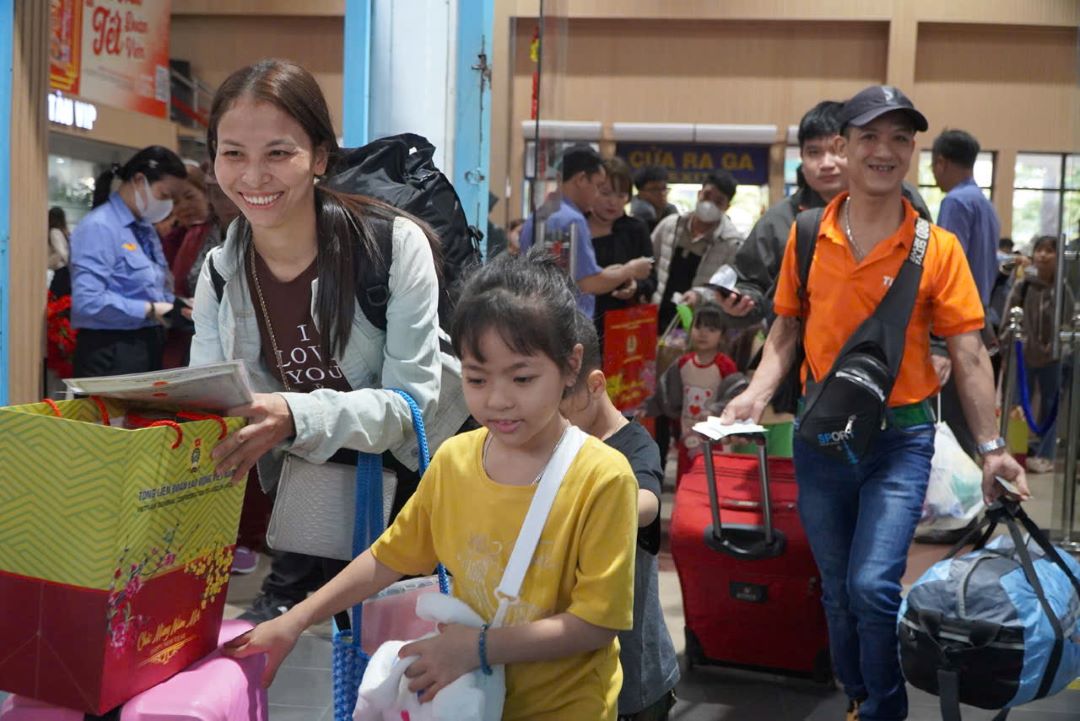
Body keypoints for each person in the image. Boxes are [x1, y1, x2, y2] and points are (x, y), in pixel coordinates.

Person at [720, 85, 1028, 721]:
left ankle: (885, 708)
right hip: (821, 437)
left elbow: (969, 355)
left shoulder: (936, 249)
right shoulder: (807, 236)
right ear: (844, 148)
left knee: (872, 586)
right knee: (836, 590)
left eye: (900, 140)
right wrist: (754, 392)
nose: (885, 152)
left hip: (900, 440)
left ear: (912, 151)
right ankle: (858, 695)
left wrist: (994, 449)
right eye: (870, 138)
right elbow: (785, 330)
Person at [225, 251, 639, 721]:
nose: (498, 400)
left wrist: (477, 649)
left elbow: (596, 624)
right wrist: (294, 621)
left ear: (570, 366)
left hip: (564, 707)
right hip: (465, 701)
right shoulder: (455, 459)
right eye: (476, 379)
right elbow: (389, 557)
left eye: (522, 377)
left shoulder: (603, 477)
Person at [190, 59, 446, 621]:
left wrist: (294, 414)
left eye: (278, 153)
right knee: (339, 645)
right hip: (314, 483)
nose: (253, 177)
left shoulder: (395, 247)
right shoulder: (219, 271)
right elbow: (207, 400)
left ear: (320, 158)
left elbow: (412, 406)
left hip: (414, 486)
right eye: (234, 153)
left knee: (406, 660)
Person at [691, 100, 932, 327]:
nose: (825, 164)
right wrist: (739, 305)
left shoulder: (903, 201)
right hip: (801, 354)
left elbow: (933, 281)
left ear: (851, 148)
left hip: (893, 350)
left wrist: (938, 347)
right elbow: (750, 282)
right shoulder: (779, 221)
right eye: (813, 153)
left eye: (834, 151)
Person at [560, 315, 679, 721]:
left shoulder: (633, 445)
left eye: (561, 401)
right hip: (572, 674)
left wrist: (586, 505)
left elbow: (646, 503)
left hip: (635, 679)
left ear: (595, 385)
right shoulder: (553, 442)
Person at [70, 145, 188, 377]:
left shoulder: (144, 229)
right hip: (110, 351)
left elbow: (152, 286)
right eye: (164, 196)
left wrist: (179, 306)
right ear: (138, 180)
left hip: (145, 346)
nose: (168, 206)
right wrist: (150, 309)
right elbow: (88, 301)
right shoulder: (100, 227)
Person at [519, 145, 653, 321]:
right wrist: (630, 270)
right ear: (582, 179)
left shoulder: (543, 212)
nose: (597, 194)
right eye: (598, 186)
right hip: (565, 322)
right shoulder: (572, 219)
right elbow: (587, 283)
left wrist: (612, 272)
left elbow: (567, 272)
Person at [1002, 235, 1073, 473]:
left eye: (1049, 251)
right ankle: (1018, 454)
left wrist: (1059, 345)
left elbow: (1069, 321)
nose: (1043, 255)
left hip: (1051, 358)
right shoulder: (1024, 285)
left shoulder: (1062, 289)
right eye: (1039, 250)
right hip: (1023, 356)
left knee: (1051, 406)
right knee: (1018, 405)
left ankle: (1045, 455)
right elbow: (1008, 317)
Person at [647, 303, 740, 479]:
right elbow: (670, 398)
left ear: (722, 335)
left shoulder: (725, 366)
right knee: (686, 481)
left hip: (717, 440)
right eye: (698, 327)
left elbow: (733, 397)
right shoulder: (682, 364)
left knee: (714, 482)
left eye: (711, 329)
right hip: (686, 438)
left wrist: (715, 411)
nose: (703, 333)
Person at [651, 170, 743, 333]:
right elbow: (650, 260)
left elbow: (727, 287)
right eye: (707, 196)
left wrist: (699, 295)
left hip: (699, 326)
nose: (709, 204)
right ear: (699, 194)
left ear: (726, 207)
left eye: (718, 201)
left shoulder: (731, 243)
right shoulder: (670, 225)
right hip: (656, 316)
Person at [588, 156, 657, 340]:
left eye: (621, 195)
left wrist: (636, 286)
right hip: (583, 318)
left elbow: (651, 279)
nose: (613, 202)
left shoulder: (635, 228)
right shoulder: (577, 226)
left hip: (622, 322)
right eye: (606, 193)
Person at [931, 129, 1000, 306]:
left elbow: (947, 262)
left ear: (941, 162)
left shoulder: (955, 202)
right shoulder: (984, 203)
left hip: (957, 308)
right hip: (980, 305)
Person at [630, 165, 678, 232]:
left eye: (664, 188)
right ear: (641, 193)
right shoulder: (634, 224)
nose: (662, 193)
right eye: (655, 189)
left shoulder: (671, 215)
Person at [47, 206, 71, 296]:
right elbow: (63, 252)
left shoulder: (54, 232)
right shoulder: (59, 232)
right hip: (64, 270)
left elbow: (62, 252)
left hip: (61, 270)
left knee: (57, 299)